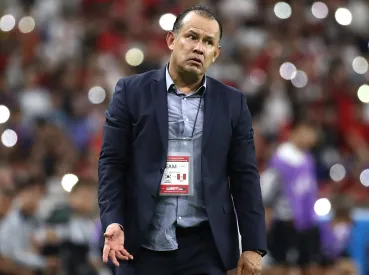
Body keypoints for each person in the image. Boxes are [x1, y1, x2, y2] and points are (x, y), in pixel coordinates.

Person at [98, 4, 266, 275]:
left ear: (216, 53)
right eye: (192, 36)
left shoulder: (233, 103)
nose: (199, 47)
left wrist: (253, 245)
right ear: (171, 40)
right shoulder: (130, 92)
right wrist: (113, 221)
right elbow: (112, 164)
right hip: (140, 243)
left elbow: (245, 175)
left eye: (209, 42)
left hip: (205, 246)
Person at [260, 117, 320, 275]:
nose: (312, 137)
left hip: (305, 222)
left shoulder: (307, 158)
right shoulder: (282, 158)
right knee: (281, 265)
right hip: (285, 220)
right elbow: (268, 189)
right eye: (308, 132)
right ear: (296, 132)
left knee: (307, 263)